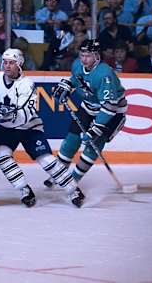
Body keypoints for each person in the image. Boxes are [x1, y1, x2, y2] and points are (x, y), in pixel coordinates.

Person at [0, 48, 84, 208]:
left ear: (19, 65)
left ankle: (73, 189)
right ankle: (24, 189)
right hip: (6, 128)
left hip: (29, 127)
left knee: (45, 159)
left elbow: (24, 113)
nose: (7, 66)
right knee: (1, 155)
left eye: (11, 63)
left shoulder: (27, 83)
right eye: (5, 62)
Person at [49, 39, 127, 191]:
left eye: (88, 55)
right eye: (82, 54)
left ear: (97, 56)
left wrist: (96, 129)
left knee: (93, 145)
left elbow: (110, 106)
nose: (84, 59)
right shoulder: (77, 64)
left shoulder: (105, 74)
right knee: (72, 138)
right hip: (89, 107)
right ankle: (59, 174)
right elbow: (76, 79)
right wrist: (67, 86)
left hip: (112, 113)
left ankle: (74, 178)